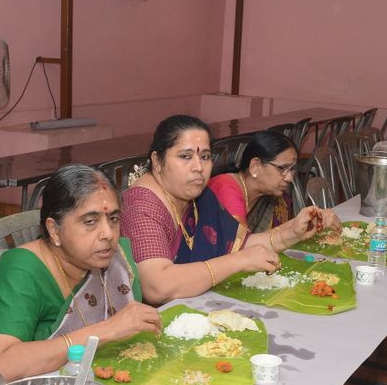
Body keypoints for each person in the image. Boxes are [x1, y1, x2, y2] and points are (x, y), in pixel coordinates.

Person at [0, 164, 162, 385]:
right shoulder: (21, 271)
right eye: (90, 221)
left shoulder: (113, 259)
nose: (108, 233)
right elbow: (0, 368)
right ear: (54, 230)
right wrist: (107, 330)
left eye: (113, 218)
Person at [120, 115, 332, 305]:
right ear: (157, 161)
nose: (198, 167)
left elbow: (238, 244)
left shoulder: (198, 196)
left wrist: (291, 233)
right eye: (185, 157)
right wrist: (239, 261)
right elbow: (158, 287)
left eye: (205, 156)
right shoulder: (143, 205)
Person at [208, 130, 340, 233]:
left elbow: (275, 236)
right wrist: (295, 227)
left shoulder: (274, 198)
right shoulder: (226, 189)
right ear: (255, 166)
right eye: (282, 168)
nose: (289, 178)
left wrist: (309, 223)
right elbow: (240, 247)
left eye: (291, 169)